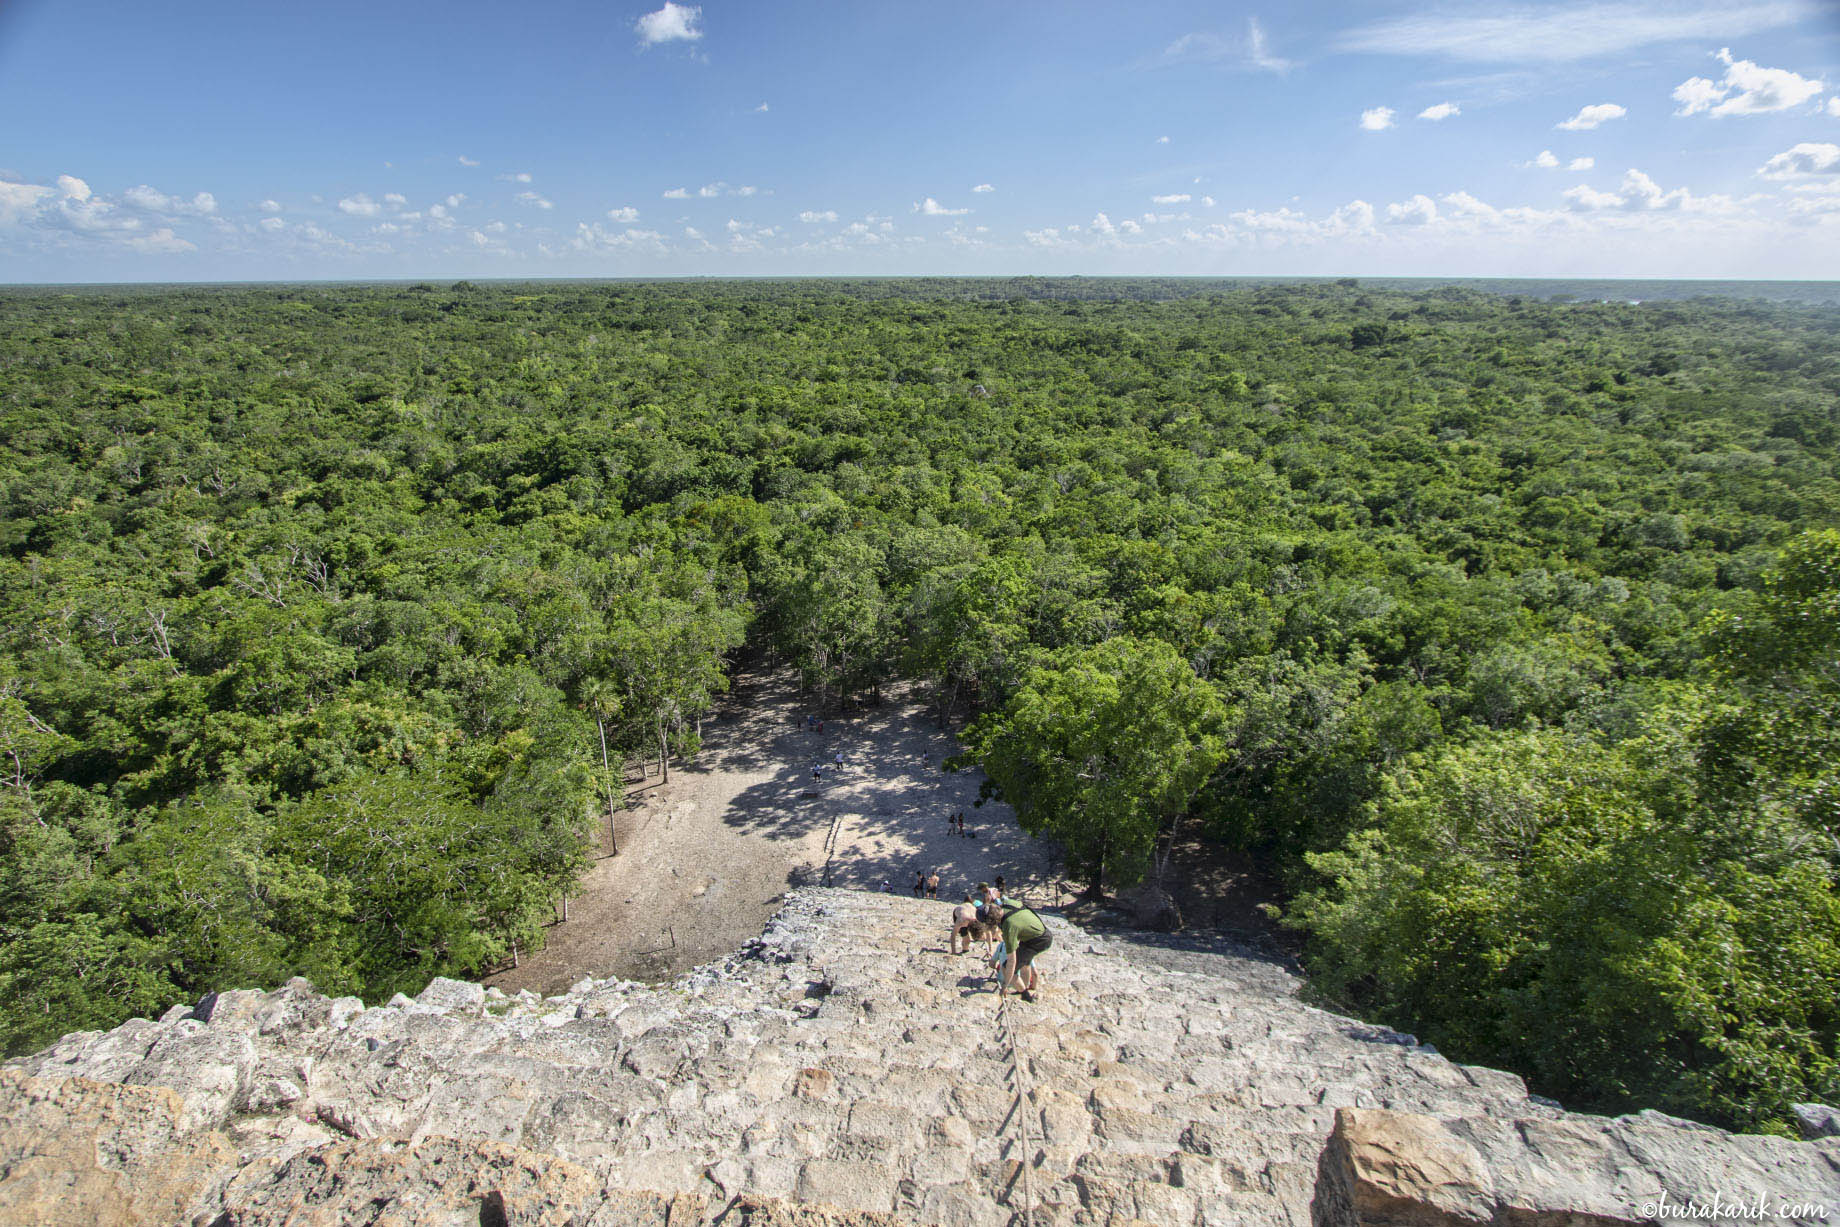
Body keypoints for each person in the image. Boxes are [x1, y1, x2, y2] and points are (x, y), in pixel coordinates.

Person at [995, 899, 1051, 1002]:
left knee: (1005, 967)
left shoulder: (1009, 927)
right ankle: (1023, 988)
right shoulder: (1008, 903)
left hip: (1036, 941)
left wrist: (1005, 986)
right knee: (1025, 963)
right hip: (1041, 933)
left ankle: (1025, 995)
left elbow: (1011, 962)